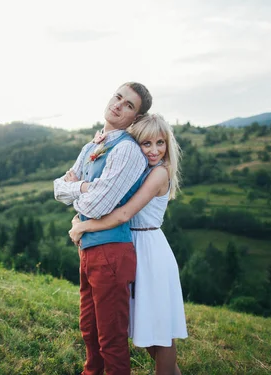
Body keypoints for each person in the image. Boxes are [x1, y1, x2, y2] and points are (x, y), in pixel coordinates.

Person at [69, 113, 188, 375]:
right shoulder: (139, 169)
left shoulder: (159, 174)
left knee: (160, 333)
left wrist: (83, 226)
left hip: (150, 251)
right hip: (133, 247)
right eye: (146, 144)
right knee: (145, 329)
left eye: (160, 143)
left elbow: (123, 214)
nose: (155, 150)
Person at [54, 82, 153, 375]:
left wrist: (77, 186)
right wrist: (85, 188)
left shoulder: (127, 151)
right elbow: (58, 189)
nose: (118, 105)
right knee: (89, 328)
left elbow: (97, 206)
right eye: (118, 97)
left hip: (111, 252)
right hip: (89, 248)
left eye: (129, 105)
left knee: (111, 337)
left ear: (135, 118)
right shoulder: (91, 147)